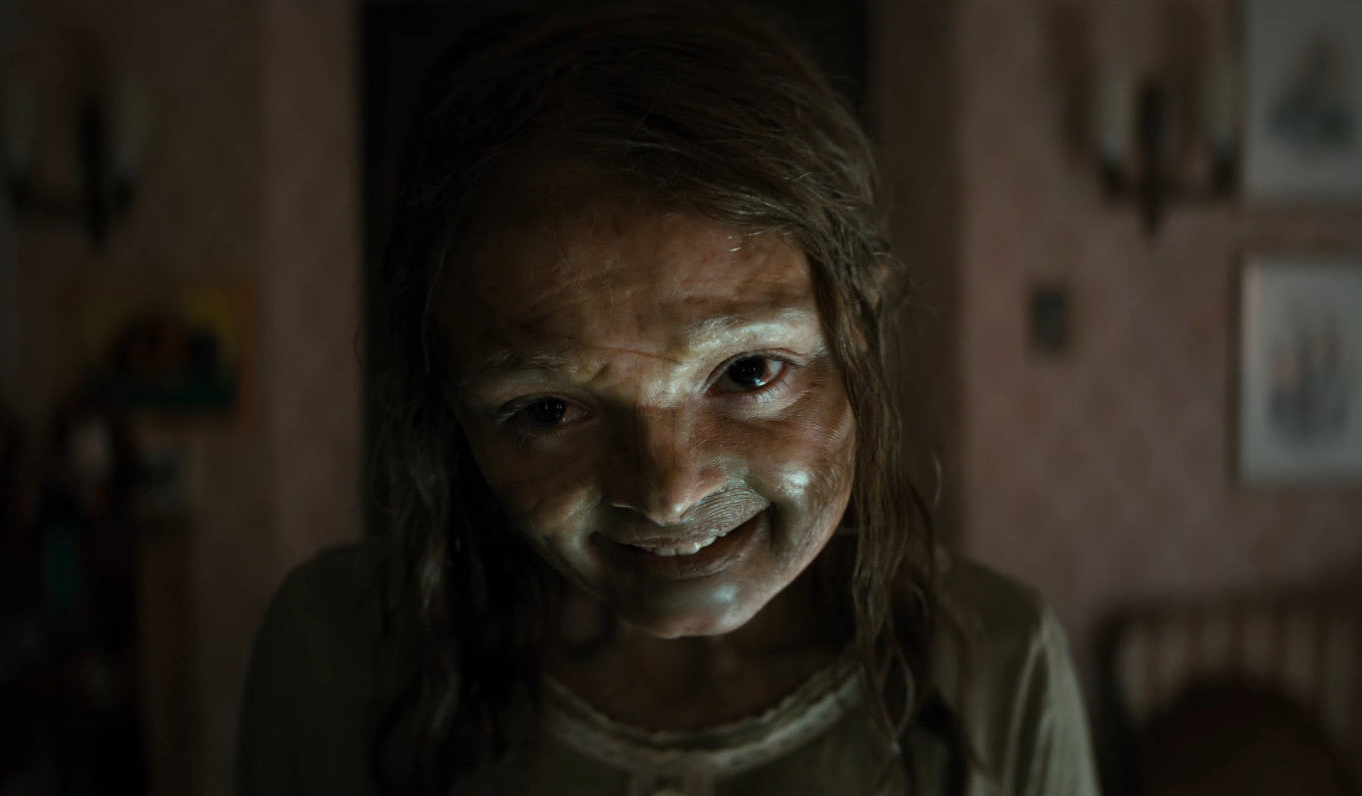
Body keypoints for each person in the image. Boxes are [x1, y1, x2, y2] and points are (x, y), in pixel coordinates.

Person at [236, 4, 1099, 794]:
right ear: (451, 402)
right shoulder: (336, 655)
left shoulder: (995, 665)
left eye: (749, 373)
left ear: (862, 327)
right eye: (548, 411)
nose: (668, 493)